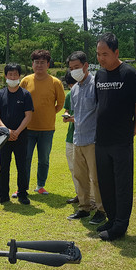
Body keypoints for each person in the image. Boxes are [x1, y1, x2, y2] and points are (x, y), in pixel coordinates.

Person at [94, 33, 136, 241]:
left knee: (122, 183)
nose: (101, 58)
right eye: (98, 54)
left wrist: (134, 127)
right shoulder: (100, 75)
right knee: (105, 182)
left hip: (121, 139)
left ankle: (120, 226)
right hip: (102, 139)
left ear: (116, 52)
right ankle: (112, 218)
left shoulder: (130, 74)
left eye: (105, 54)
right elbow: (100, 104)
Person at [66, 51, 106, 225]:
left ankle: (101, 210)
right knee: (80, 176)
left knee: (96, 178)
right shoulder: (74, 89)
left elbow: (102, 112)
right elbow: (78, 114)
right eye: (71, 68)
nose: (74, 71)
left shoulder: (96, 84)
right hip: (77, 139)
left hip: (93, 140)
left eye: (77, 67)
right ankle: (83, 208)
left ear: (86, 65)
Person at [18, 49, 65, 196]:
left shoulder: (55, 82)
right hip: (28, 128)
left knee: (44, 159)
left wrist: (49, 113)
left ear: (48, 64)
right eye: (36, 62)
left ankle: (40, 185)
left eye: (42, 63)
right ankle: (22, 187)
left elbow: (60, 103)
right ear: (32, 64)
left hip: (47, 128)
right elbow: (19, 101)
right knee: (25, 159)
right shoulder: (26, 81)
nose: (39, 65)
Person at [0, 63, 34, 205]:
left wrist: (16, 132)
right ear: (5, 76)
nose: (12, 77)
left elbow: (28, 116)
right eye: (10, 74)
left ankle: (22, 194)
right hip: (3, 137)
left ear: (19, 76)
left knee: (21, 166)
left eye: (15, 74)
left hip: (21, 136)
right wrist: (6, 130)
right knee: (3, 167)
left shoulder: (25, 94)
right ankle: (3, 195)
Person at [62, 70, 79, 204]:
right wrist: (67, 115)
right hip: (71, 136)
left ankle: (90, 198)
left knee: (86, 169)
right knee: (73, 167)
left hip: (85, 137)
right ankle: (79, 193)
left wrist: (75, 119)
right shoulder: (69, 95)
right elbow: (67, 109)